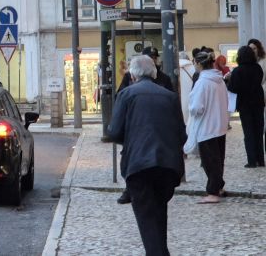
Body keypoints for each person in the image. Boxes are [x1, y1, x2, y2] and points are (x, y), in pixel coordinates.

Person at [107, 55, 186, 256]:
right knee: (158, 212)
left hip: (138, 164)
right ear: (154, 73)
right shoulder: (170, 96)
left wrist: (132, 140)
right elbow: (182, 134)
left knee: (147, 217)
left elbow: (114, 132)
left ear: (132, 75)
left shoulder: (126, 94)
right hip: (168, 165)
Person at [186, 50, 230, 203]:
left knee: (210, 161)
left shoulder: (202, 82)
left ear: (198, 64)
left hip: (207, 126)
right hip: (220, 124)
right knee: (218, 159)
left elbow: (196, 107)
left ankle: (213, 192)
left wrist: (191, 108)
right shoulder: (219, 79)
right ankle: (219, 187)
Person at [227, 46, 265, 167]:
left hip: (245, 105)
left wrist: (228, 80)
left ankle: (252, 161)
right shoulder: (257, 68)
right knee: (258, 132)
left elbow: (233, 88)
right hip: (258, 103)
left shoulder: (238, 71)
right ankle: (261, 159)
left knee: (248, 133)